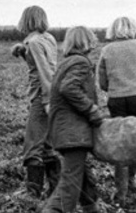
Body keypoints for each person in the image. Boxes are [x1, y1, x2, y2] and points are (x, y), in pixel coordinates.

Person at [41, 26, 107, 213]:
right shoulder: (80, 62)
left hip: (64, 131)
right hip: (73, 133)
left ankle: (91, 208)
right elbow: (69, 88)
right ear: (86, 41)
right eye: (92, 39)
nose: (94, 43)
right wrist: (92, 110)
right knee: (69, 187)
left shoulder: (67, 62)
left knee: (82, 177)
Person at [96, 16, 136, 205]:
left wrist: (113, 90)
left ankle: (120, 190)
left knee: (120, 144)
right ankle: (131, 180)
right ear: (132, 28)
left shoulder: (106, 50)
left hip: (116, 100)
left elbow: (102, 81)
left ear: (113, 30)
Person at [10, 5, 60, 199]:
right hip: (48, 94)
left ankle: (32, 193)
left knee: (32, 146)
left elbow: (44, 72)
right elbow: (44, 64)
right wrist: (24, 52)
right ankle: (56, 191)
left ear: (26, 20)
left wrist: (47, 101)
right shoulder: (48, 38)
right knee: (47, 146)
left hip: (41, 97)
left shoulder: (35, 43)